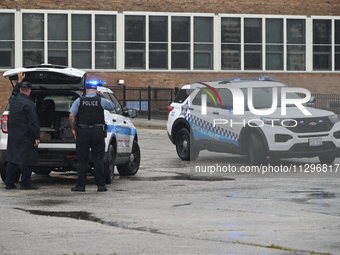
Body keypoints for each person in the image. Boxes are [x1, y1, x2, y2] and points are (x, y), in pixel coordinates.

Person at [69, 82, 114, 192]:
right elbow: (112, 107)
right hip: (97, 132)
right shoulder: (101, 101)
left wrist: (73, 129)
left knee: (82, 160)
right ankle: (101, 186)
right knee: (98, 159)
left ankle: (80, 186)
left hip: (83, 132)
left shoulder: (79, 100)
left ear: (86, 90)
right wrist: (102, 96)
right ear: (96, 91)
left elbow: (71, 115)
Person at [5, 72, 40, 190]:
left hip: (13, 135)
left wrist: (19, 80)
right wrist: (36, 137)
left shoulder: (13, 100)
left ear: (21, 90)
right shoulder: (29, 104)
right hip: (26, 135)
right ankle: (25, 184)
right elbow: (33, 122)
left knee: (12, 159)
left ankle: (9, 183)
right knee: (27, 160)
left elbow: (14, 92)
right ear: (29, 91)